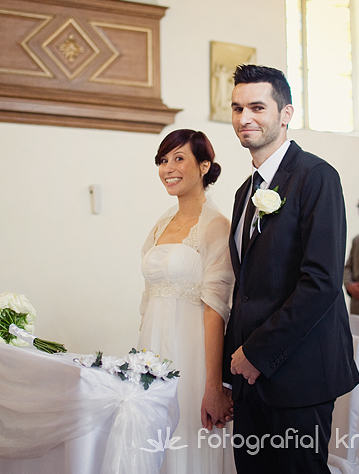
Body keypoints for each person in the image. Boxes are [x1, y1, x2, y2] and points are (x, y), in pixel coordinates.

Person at [223, 64, 359, 473]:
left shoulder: (316, 177)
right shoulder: (244, 193)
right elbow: (244, 288)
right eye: (236, 108)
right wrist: (230, 370)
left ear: (286, 114)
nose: (244, 118)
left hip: (299, 373)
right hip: (249, 378)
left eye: (257, 107)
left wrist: (256, 353)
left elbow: (320, 283)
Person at [137, 129, 235, 473]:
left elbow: (216, 308)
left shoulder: (217, 225)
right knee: (153, 437)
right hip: (153, 346)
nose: (169, 168)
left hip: (193, 352)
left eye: (179, 158)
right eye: (163, 160)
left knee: (189, 440)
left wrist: (214, 385)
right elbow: (148, 298)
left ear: (204, 166)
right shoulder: (162, 222)